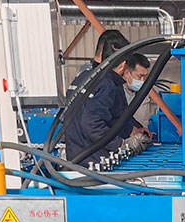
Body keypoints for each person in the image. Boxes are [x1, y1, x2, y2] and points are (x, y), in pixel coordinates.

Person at [65, 32, 152, 165]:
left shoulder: (83, 77)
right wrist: (121, 144)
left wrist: (132, 129)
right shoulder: (107, 84)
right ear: (123, 64)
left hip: (75, 157)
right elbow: (92, 124)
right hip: (94, 161)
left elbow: (116, 115)